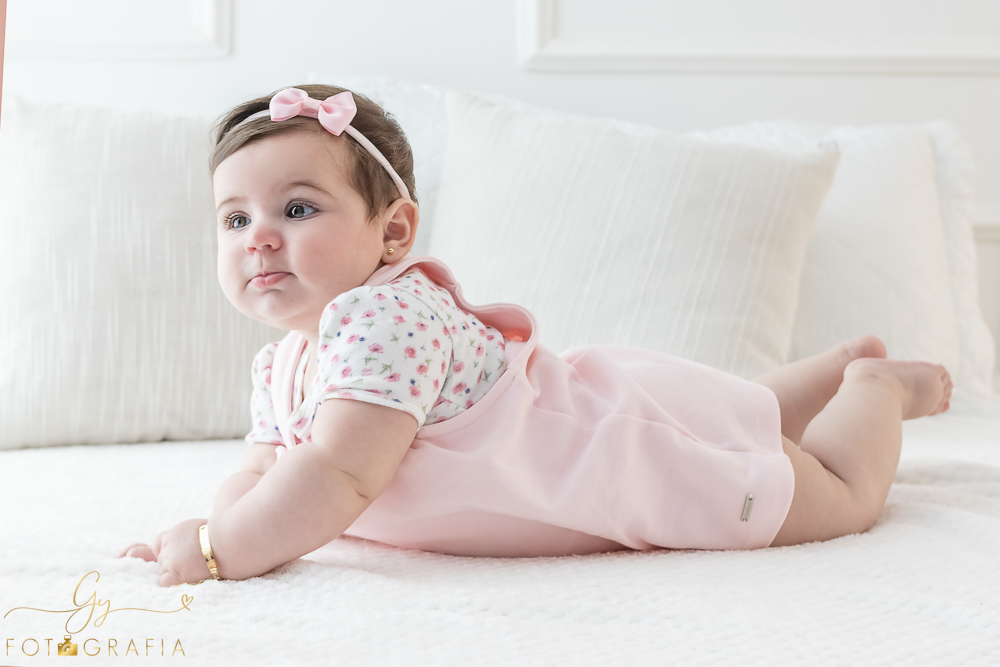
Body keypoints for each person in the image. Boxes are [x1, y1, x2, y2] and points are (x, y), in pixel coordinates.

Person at [119, 85, 953, 587]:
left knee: (834, 494)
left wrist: (220, 549)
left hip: (626, 457)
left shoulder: (381, 317)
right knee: (742, 418)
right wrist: (210, 525)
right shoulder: (286, 362)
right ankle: (828, 371)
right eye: (235, 218)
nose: (258, 235)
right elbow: (265, 469)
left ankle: (873, 389)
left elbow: (335, 473)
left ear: (394, 232)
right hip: (603, 417)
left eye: (296, 208)